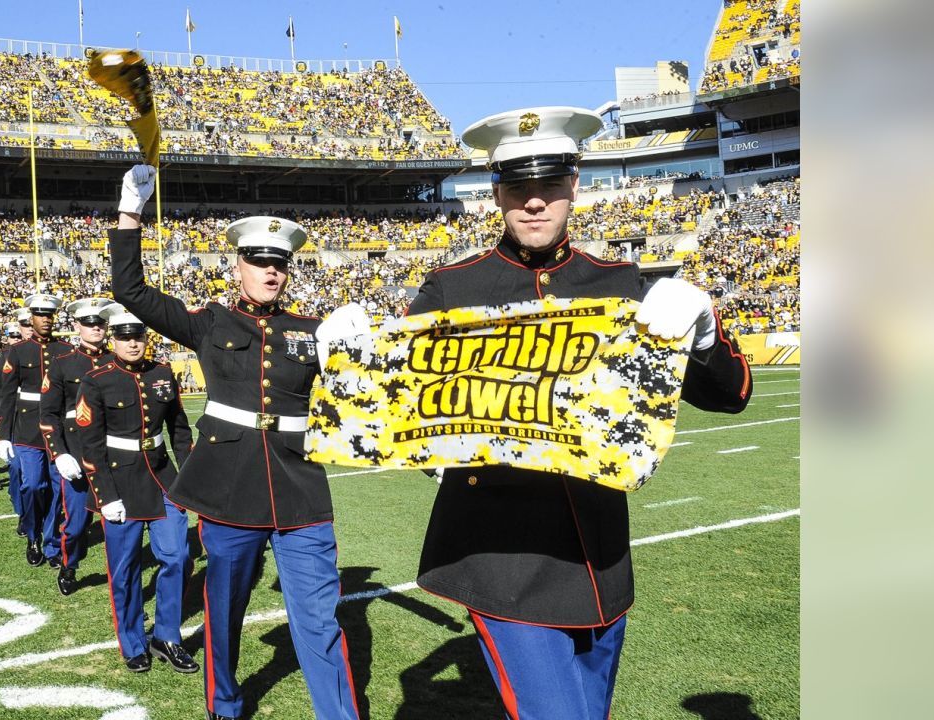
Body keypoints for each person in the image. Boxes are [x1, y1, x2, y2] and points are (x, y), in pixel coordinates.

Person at [407, 107, 753, 719]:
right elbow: (399, 401)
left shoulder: (618, 281)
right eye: (518, 187)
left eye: (548, 185)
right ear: (496, 194)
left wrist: (703, 329)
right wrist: (350, 352)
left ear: (574, 184)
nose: (534, 203)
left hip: (601, 559)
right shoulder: (449, 289)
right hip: (500, 558)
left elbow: (729, 394)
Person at [110, 165, 363, 720]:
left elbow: (364, 392)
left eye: (280, 264)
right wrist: (131, 213)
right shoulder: (209, 321)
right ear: (238, 265)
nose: (271, 272)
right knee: (223, 614)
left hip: (300, 493)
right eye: (260, 262)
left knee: (321, 621)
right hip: (228, 493)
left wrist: (358, 343)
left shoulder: (311, 331)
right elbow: (129, 290)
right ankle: (224, 705)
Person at [74, 303, 197, 673]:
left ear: (147, 338)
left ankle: (167, 636)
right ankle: (133, 642)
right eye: (125, 337)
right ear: (113, 339)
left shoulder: (162, 372)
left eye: (138, 336)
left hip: (162, 476)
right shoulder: (97, 380)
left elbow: (178, 427)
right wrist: (104, 496)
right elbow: (89, 443)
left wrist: (189, 478)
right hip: (119, 482)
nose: (132, 343)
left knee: (177, 558)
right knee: (125, 569)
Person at [38, 297, 115, 594]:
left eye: (100, 323)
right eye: (89, 323)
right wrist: (59, 454)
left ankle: (120, 579)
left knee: (118, 522)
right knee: (77, 522)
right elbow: (48, 415)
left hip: (112, 451)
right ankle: (69, 565)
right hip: (77, 451)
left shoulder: (115, 361)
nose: (96, 328)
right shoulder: (62, 364)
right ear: (77, 326)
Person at [0, 293, 71, 566]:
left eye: (49, 315)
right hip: (28, 430)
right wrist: (3, 434)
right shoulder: (18, 351)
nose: (45, 320)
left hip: (59, 431)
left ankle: (50, 545)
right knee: (34, 485)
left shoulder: (65, 349)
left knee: (57, 490)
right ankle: (32, 533)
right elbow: (6, 394)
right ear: (31, 318)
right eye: (40, 315)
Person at [0, 312, 34, 530]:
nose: (29, 329)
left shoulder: (53, 353)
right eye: (25, 325)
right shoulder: (7, 356)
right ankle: (23, 511)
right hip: (14, 421)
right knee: (16, 468)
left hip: (43, 421)